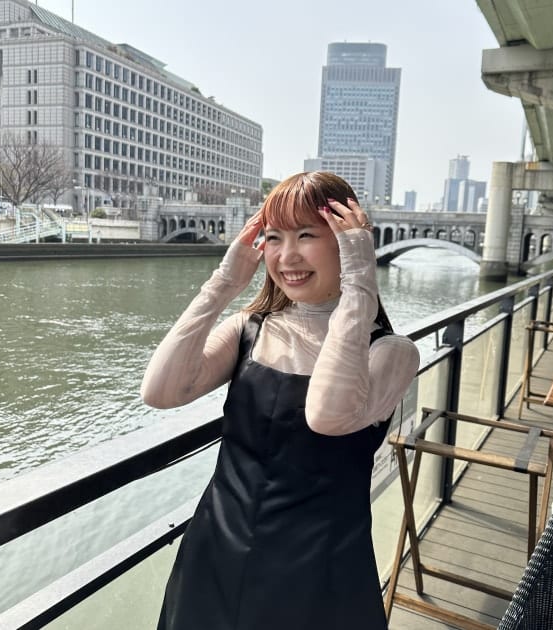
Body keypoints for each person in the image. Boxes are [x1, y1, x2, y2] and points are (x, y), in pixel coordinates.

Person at [141, 171, 420, 630]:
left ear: (347, 242)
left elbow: (327, 415)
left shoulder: (390, 353)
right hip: (214, 554)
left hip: (317, 576)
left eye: (307, 235)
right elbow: (160, 391)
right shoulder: (250, 329)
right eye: (274, 238)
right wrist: (224, 282)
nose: (287, 256)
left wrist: (359, 283)